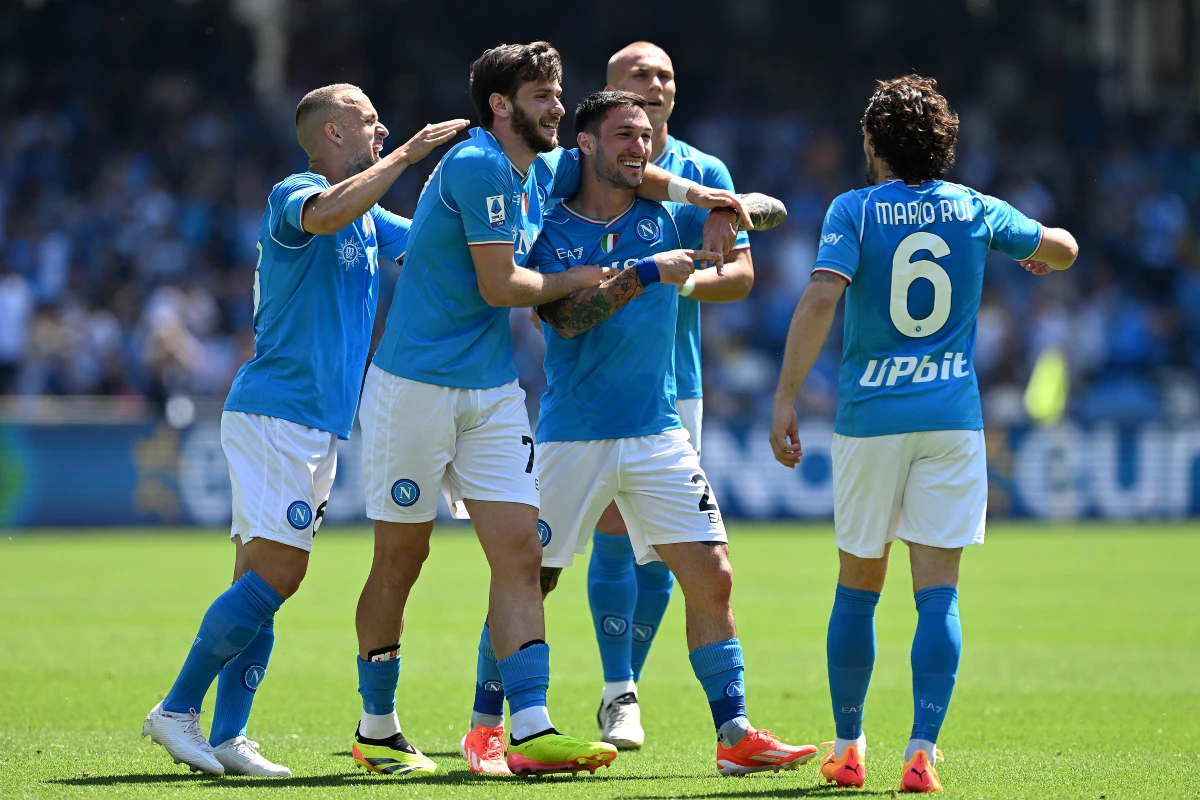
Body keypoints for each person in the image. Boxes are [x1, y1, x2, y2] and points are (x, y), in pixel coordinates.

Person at [354, 42, 746, 778]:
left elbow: (632, 169)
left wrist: (708, 200)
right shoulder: (476, 164)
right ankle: (377, 727)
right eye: (543, 96)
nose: (559, 109)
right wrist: (601, 274)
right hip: (413, 384)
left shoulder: (547, 165)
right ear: (501, 105)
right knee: (400, 560)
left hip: (492, 388)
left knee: (522, 556)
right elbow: (504, 287)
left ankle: (522, 731)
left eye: (560, 96)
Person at [140, 83, 466, 778]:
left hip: (312, 422)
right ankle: (175, 709)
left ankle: (228, 735)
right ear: (333, 135)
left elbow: (445, 242)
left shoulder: (372, 222)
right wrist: (409, 155)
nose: (382, 130)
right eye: (370, 121)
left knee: (259, 577)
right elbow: (324, 217)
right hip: (275, 412)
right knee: (281, 575)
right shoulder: (298, 193)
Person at [769, 74, 1077, 793]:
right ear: (945, 145)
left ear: (873, 143)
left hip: (870, 421)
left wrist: (786, 395)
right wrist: (1035, 251)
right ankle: (920, 753)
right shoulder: (973, 208)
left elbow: (821, 296)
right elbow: (1061, 246)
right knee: (937, 596)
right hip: (949, 421)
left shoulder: (854, 210)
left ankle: (848, 748)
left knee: (857, 590)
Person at [527, 89, 816, 777]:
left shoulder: (665, 215)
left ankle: (734, 733)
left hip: (657, 431)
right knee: (528, 580)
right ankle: (492, 725)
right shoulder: (551, 223)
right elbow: (564, 319)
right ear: (585, 145)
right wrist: (650, 273)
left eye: (646, 135)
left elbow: (738, 260)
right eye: (623, 133)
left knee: (711, 573)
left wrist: (723, 215)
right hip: (574, 434)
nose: (640, 143)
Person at [583, 41, 766, 750]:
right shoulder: (582, 167)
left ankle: (619, 691)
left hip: (673, 381)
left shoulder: (704, 172)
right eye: (638, 76)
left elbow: (741, 275)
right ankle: (504, 710)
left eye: (663, 77)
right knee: (572, 548)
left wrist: (673, 277)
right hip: (590, 383)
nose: (653, 86)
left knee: (667, 548)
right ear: (608, 93)